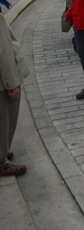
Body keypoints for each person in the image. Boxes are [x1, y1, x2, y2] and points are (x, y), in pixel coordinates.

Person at [0, 13, 30, 176]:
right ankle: (1, 161)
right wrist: (12, 84)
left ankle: (3, 149)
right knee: (5, 120)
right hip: (3, 83)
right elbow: (4, 53)